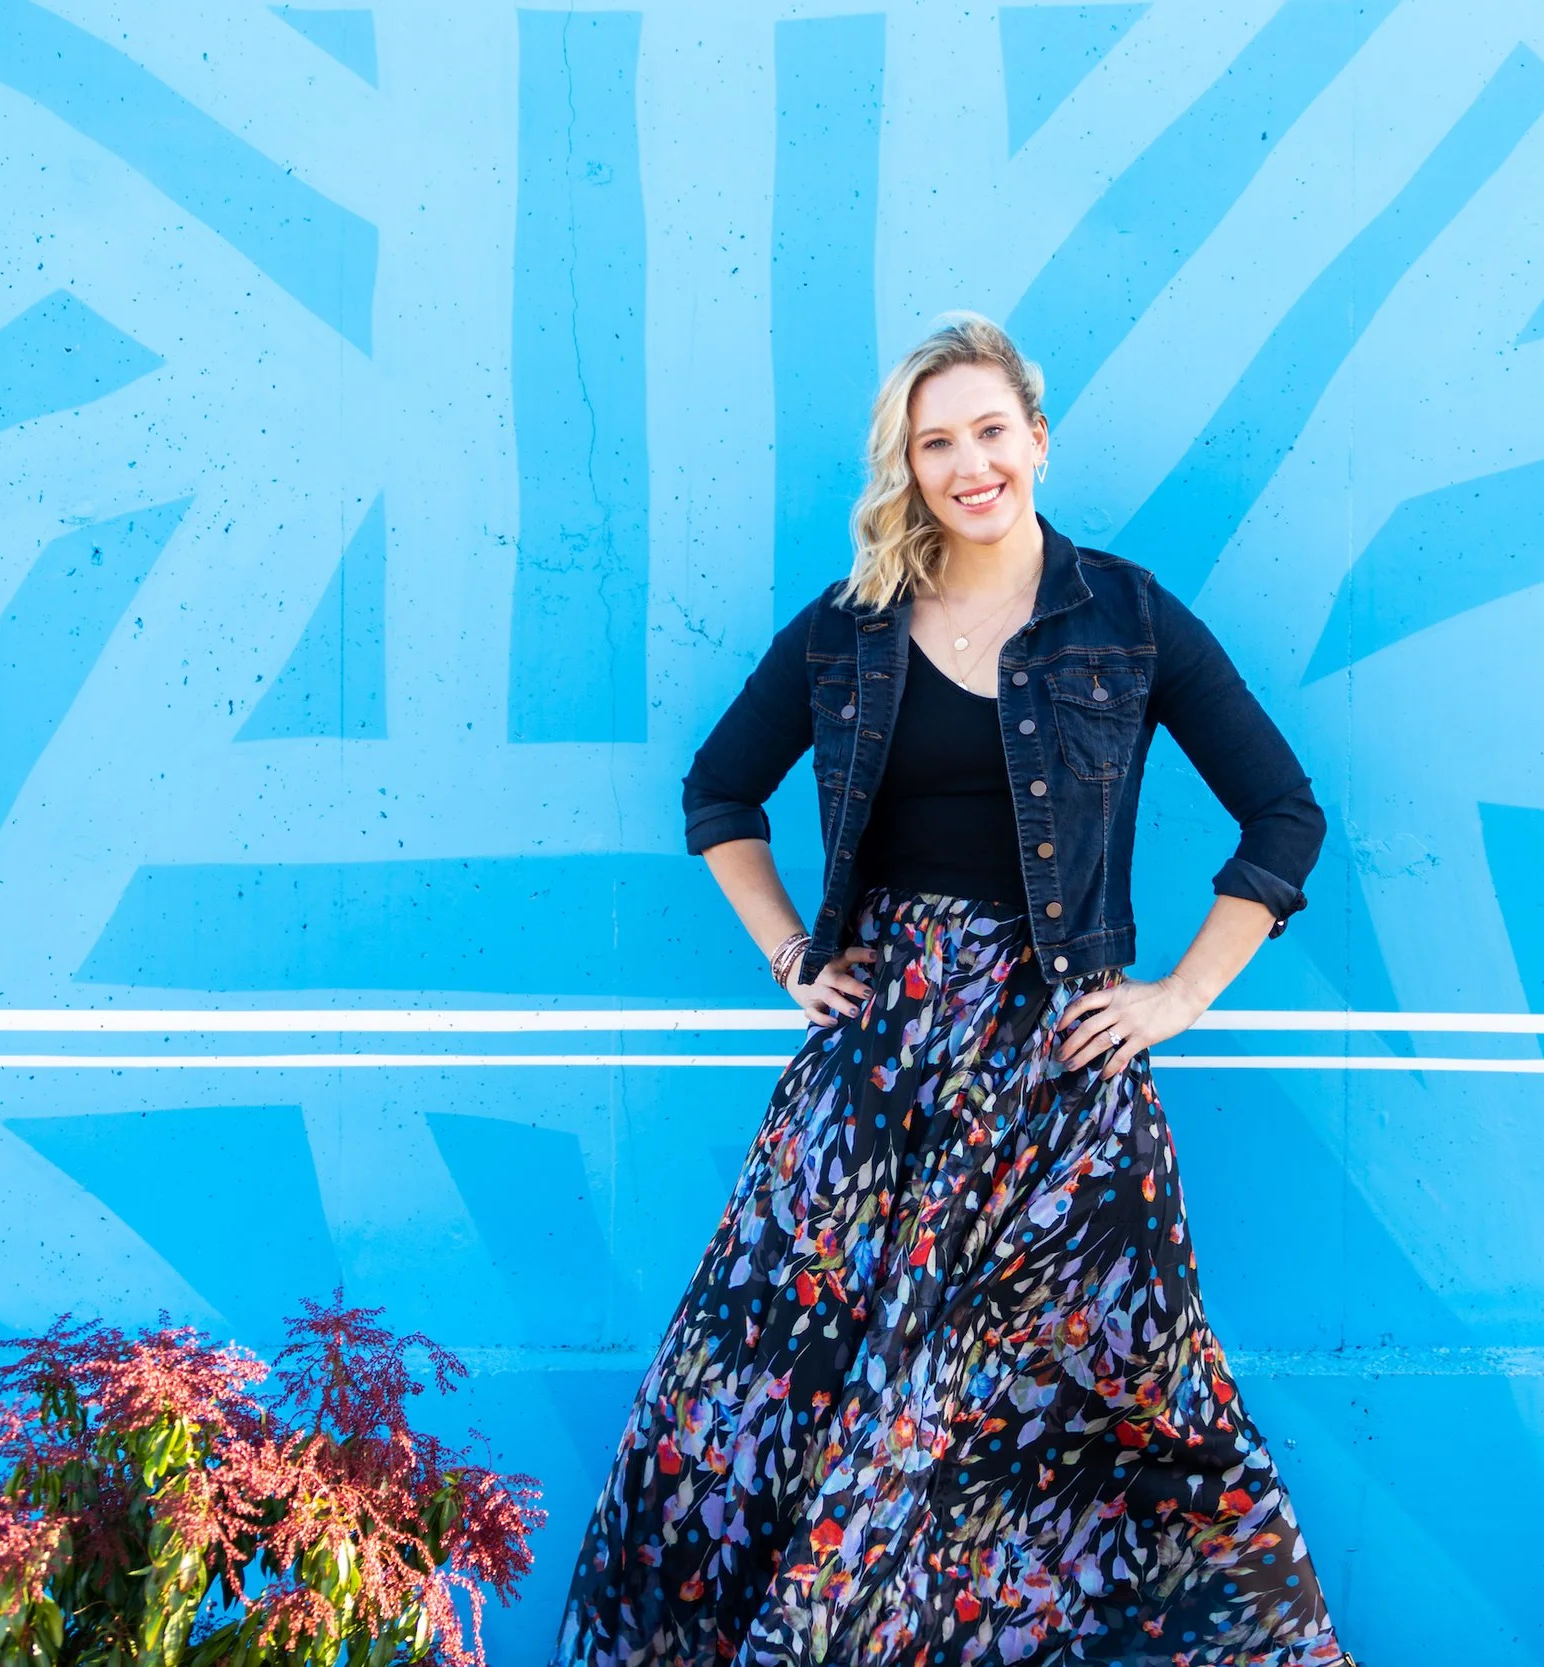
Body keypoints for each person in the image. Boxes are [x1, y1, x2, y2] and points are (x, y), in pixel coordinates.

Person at [555, 314, 1350, 1665]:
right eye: (937, 443)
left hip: (1063, 1075)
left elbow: (1283, 813)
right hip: (877, 1075)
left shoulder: (1128, 618)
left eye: (991, 431)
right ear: (909, 468)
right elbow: (718, 790)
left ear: (1037, 438)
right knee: (770, 1390)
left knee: (1099, 1411)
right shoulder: (854, 626)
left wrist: (1181, 994)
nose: (969, 463)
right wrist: (793, 953)